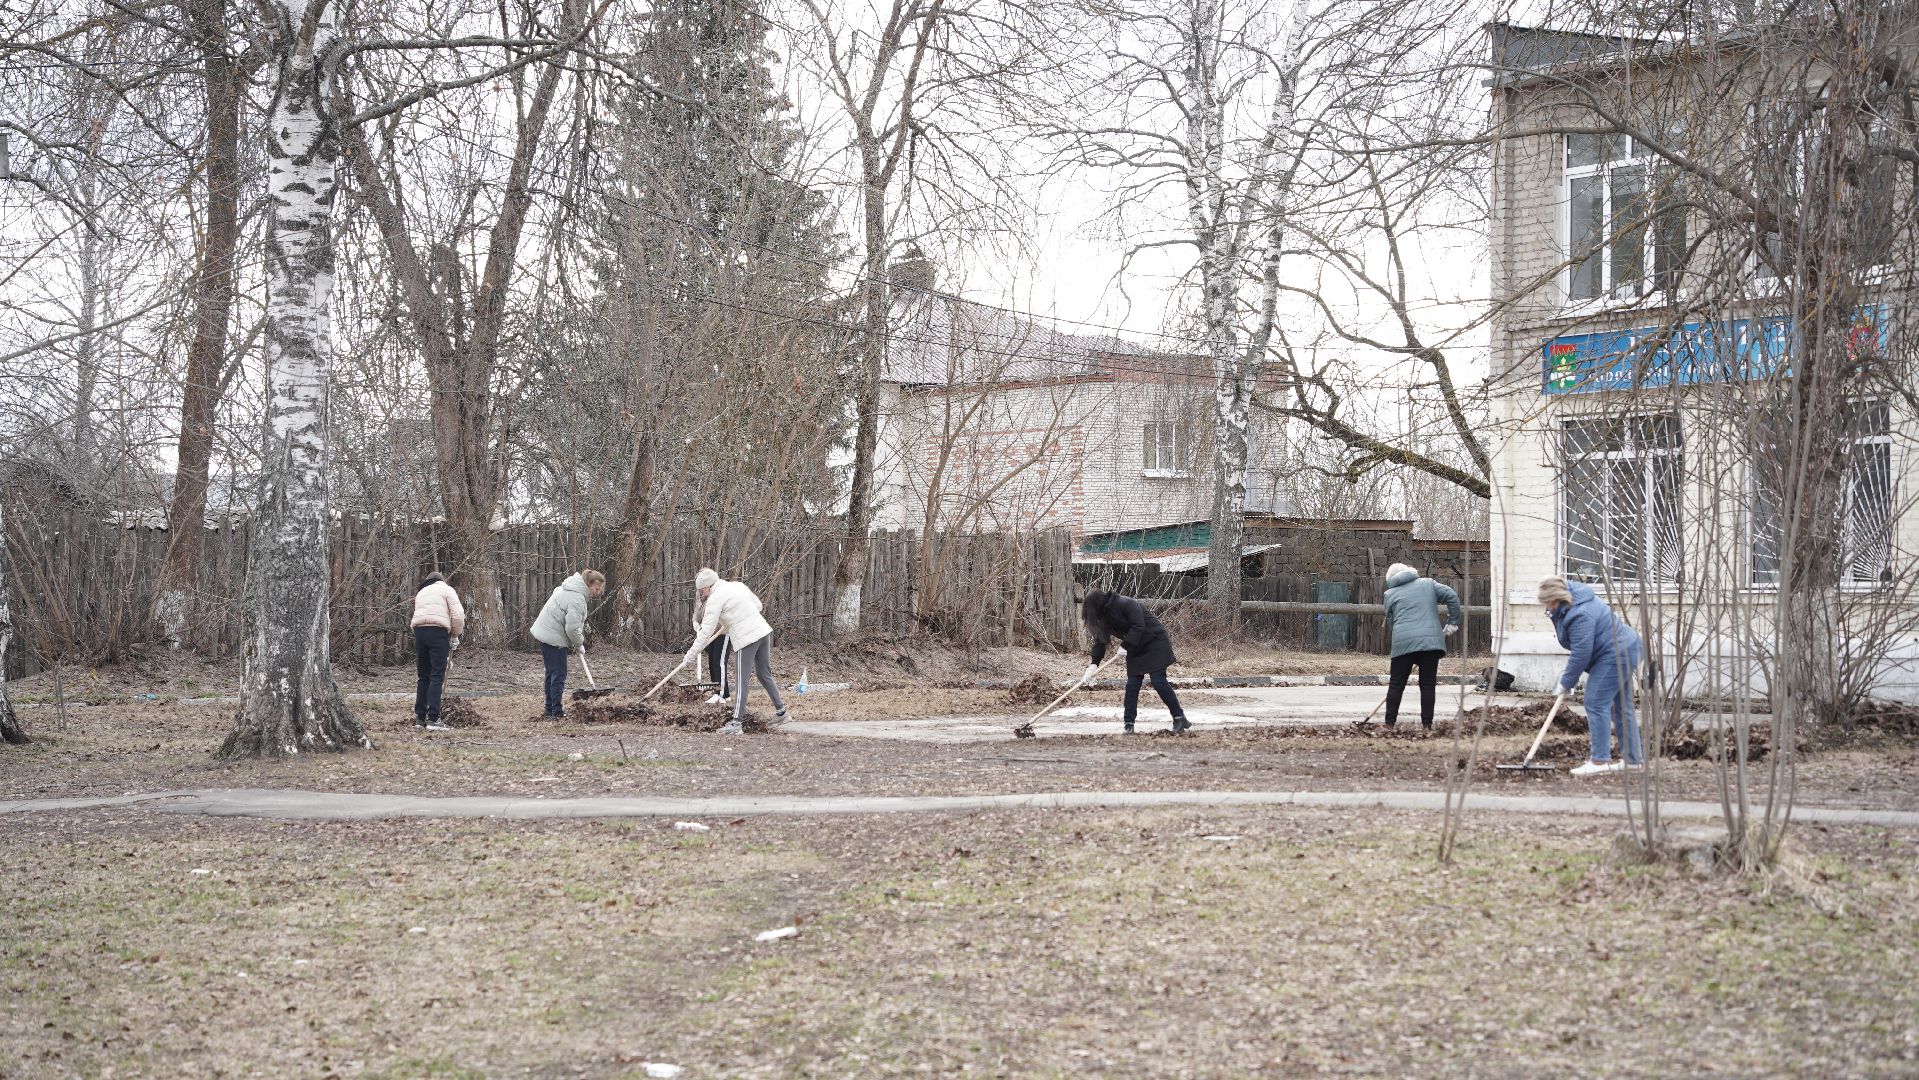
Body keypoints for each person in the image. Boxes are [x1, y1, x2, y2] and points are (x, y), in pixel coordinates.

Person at [1538, 575, 1645, 776]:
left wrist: (1567, 681)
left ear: (1557, 598)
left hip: (1617, 654)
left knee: (1595, 702)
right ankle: (1633, 761)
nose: (1546, 608)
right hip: (1624, 649)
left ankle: (1599, 760)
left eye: (1548, 603)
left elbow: (1581, 653)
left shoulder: (1580, 613)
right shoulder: (1570, 605)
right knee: (1621, 707)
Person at [684, 567, 786, 735]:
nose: (701, 594)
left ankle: (736, 724)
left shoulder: (715, 599)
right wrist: (732, 619)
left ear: (708, 586)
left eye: (701, 590)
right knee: (763, 674)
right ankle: (781, 712)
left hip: (746, 638)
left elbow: (705, 632)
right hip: (763, 632)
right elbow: (758, 606)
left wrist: (690, 655)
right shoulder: (737, 586)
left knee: (741, 681)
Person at [1081, 589, 1188, 734]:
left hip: (1154, 641)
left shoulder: (1125, 603)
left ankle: (1179, 717)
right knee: (1132, 685)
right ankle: (1129, 724)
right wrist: (1093, 665)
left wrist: (1125, 645)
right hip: (1135, 646)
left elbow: (1139, 625)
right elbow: (1100, 641)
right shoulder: (1103, 616)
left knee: (1158, 680)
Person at [1380, 563, 1465, 731]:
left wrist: (1407, 641)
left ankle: (1389, 724)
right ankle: (1427, 726)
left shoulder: (1389, 594)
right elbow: (1452, 596)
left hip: (1403, 643)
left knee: (1396, 684)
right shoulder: (1428, 584)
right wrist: (1452, 623)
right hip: (1430, 645)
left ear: (1390, 579)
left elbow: (1391, 622)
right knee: (1427, 684)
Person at [530, 568, 604, 718]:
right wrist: (579, 643)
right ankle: (556, 712)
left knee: (552, 673)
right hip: (552, 637)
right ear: (588, 584)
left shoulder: (571, 586)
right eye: (596, 589)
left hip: (546, 633)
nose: (597, 592)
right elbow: (572, 628)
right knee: (559, 674)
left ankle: (550, 709)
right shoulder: (576, 598)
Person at [409, 572, 466, 731]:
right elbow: (458, 615)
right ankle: (433, 718)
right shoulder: (447, 590)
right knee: (437, 674)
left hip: (419, 632)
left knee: (423, 676)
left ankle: (420, 718)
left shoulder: (421, 592)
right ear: (441, 580)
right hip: (438, 631)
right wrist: (455, 635)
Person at [693, 592, 731, 707]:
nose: (700, 590)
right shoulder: (699, 594)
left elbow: (716, 615)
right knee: (712, 663)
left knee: (719, 663)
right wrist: (695, 622)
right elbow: (697, 611)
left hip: (722, 632)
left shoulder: (716, 594)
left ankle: (722, 695)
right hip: (709, 634)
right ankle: (720, 692)